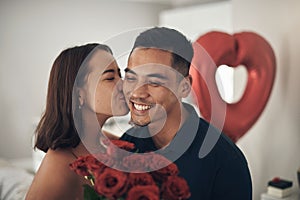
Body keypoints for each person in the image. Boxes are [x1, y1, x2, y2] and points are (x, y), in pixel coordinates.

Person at [120, 27, 252, 200]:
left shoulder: (225, 160)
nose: (137, 93)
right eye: (131, 78)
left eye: (154, 82)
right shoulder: (127, 143)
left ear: (184, 87)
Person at [26, 43, 128, 199]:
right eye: (110, 77)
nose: (123, 84)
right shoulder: (59, 166)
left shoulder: (111, 142)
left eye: (119, 75)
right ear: (79, 94)